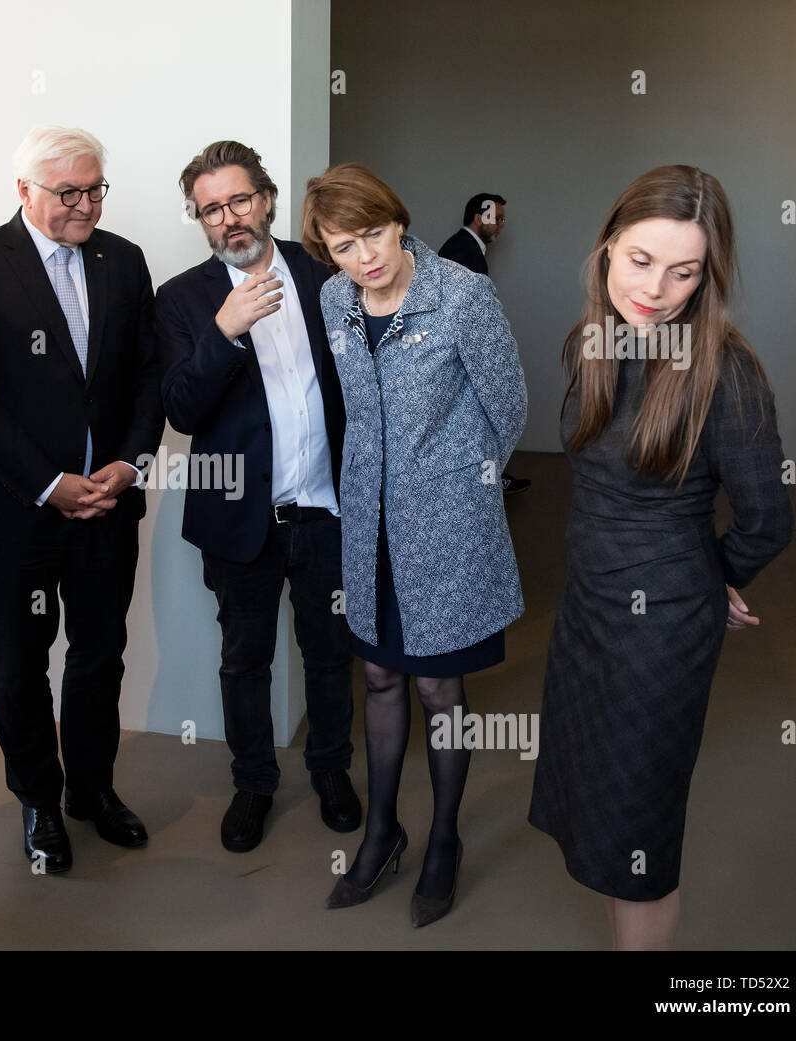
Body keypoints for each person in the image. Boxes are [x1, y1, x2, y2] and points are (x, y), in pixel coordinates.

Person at [528, 165, 793, 950]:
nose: (658, 288)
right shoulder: (591, 343)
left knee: (639, 845)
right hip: (586, 611)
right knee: (602, 826)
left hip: (661, 634)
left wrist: (712, 580)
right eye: (641, 260)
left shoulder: (726, 372)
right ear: (608, 245)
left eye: (685, 271)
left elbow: (768, 518)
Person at [0, 126, 165, 874]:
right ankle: (38, 800)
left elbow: (145, 378)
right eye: (67, 192)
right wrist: (48, 483)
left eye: (95, 188)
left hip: (107, 506)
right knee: (20, 662)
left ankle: (91, 791)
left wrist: (129, 463)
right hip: (14, 513)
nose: (85, 205)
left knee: (100, 655)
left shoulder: (123, 260)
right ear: (23, 190)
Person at [302, 164, 527, 926]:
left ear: (397, 220)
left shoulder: (461, 295)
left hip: (447, 527)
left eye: (372, 234)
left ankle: (443, 841)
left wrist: (461, 489)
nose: (363, 257)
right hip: (368, 524)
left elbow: (510, 406)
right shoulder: (335, 299)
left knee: (438, 687)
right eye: (342, 246)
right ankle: (381, 830)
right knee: (380, 678)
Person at [156, 141, 359, 852]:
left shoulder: (325, 275)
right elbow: (181, 409)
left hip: (326, 513)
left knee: (330, 653)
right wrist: (224, 330)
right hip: (240, 520)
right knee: (245, 659)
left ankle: (332, 768)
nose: (229, 218)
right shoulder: (183, 299)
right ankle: (253, 782)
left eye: (239, 201)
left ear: (268, 200)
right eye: (211, 209)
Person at [438, 192, 530, 496]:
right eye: (497, 218)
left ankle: (491, 476)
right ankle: (485, 481)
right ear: (480, 217)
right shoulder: (462, 251)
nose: (501, 225)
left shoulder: (465, 247)